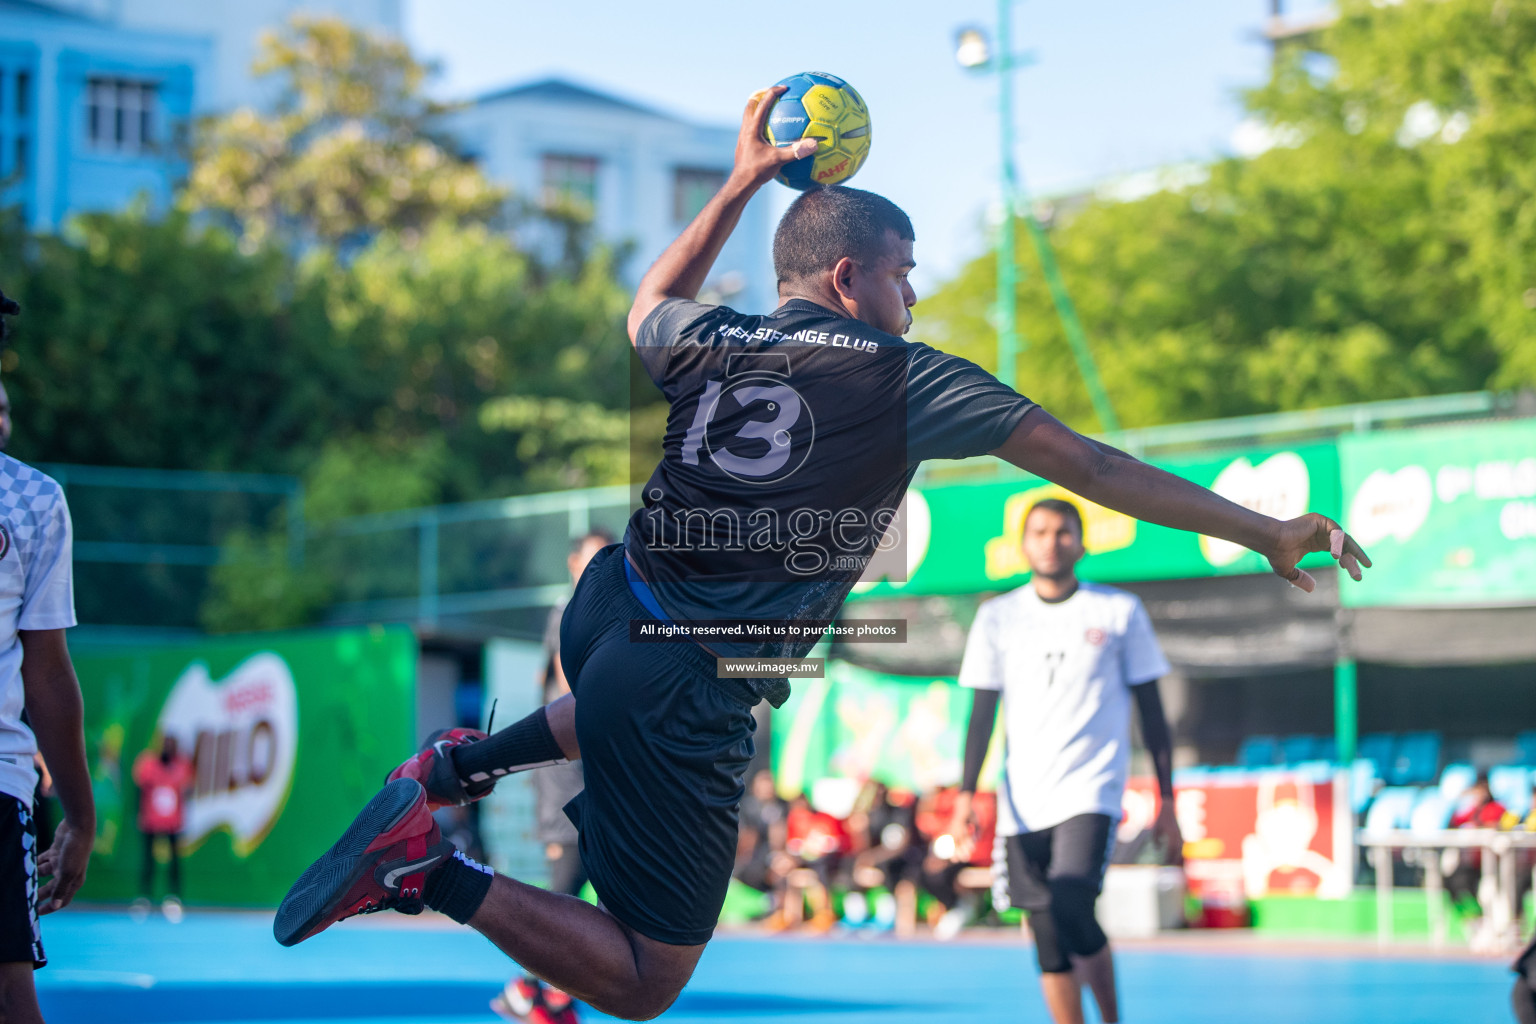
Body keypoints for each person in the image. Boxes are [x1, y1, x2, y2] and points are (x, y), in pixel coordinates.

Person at [271, 87, 1369, 1021]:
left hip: (611, 608)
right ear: (850, 278)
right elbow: (1094, 466)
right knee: (648, 978)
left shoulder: (721, 336)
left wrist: (744, 179)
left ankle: (464, 764)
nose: (915, 292)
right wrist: (1264, 528)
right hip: (683, 670)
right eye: (905, 271)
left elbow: (645, 304)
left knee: (643, 676)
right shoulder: (901, 375)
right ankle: (430, 865)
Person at [945, 497, 1180, 1024]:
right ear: (1023, 544)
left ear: (1081, 540)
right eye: (1041, 532)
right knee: (1047, 929)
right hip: (1023, 800)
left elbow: (1154, 715)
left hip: (1090, 790)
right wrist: (966, 795)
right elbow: (981, 715)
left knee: (1073, 900)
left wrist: (1169, 800)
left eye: (1063, 532)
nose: (1052, 542)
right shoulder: (997, 616)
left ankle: (1113, 1018)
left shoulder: (1118, 612)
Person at [0, 288, 94, 1024]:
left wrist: (80, 814)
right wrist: (81, 818)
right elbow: (46, 674)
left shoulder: (28, 500)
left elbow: (46, 676)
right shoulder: (29, 499)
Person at [491, 530, 611, 1024]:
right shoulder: (572, 613)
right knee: (567, 884)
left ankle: (553, 993)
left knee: (600, 886)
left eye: (610, 556)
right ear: (571, 563)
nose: (601, 565)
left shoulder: (610, 611)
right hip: (568, 774)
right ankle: (528, 988)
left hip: (598, 769)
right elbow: (569, 688)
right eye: (592, 557)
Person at [130, 734, 194, 921]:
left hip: (173, 821)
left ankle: (173, 897)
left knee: (174, 860)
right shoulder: (148, 763)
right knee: (148, 859)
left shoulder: (182, 765)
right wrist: (139, 813)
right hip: (151, 818)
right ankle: (144, 897)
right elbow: (140, 790)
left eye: (171, 744)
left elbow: (187, 791)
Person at [1446, 770, 1507, 949]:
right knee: (1451, 883)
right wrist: (1460, 800)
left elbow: (1502, 826)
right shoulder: (1472, 809)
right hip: (1471, 863)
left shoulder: (1497, 808)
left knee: (1488, 893)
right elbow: (1454, 822)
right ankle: (1474, 920)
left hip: (1493, 865)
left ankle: (1488, 924)